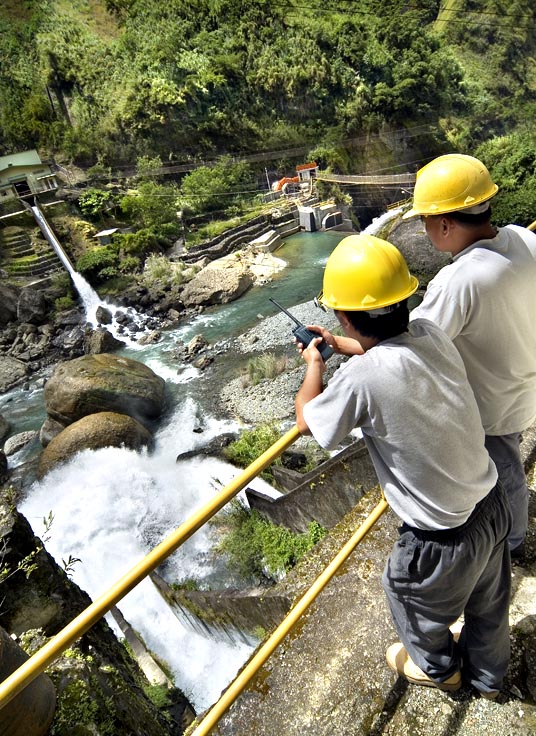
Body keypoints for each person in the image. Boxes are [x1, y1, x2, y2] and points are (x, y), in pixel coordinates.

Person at [295, 233, 511, 698]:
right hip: (491, 502)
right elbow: (391, 351)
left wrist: (315, 361)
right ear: (405, 295)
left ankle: (441, 670)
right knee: (489, 603)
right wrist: (342, 343)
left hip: (441, 537)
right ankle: (491, 679)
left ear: (343, 314)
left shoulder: (361, 379)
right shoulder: (430, 333)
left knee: (405, 594)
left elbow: (309, 423)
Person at [404, 153, 536, 558]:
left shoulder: (458, 279)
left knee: (504, 471)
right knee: (507, 461)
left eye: (425, 220)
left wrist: (344, 343)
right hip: (526, 382)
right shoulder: (523, 236)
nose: (425, 230)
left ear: (444, 223)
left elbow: (412, 345)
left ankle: (513, 542)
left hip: (494, 406)